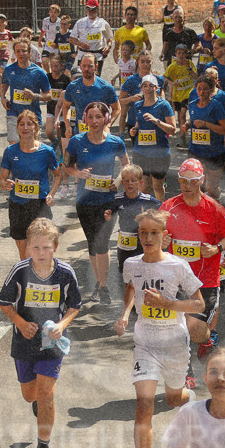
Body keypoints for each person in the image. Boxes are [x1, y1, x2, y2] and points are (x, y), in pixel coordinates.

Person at [115, 219, 205, 448]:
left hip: (175, 343)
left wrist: (168, 305)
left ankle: (191, 399)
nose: (149, 238)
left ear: (165, 237)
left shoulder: (178, 266)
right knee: (144, 404)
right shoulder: (132, 263)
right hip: (145, 342)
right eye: (143, 233)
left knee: (174, 398)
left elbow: (199, 304)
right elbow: (132, 287)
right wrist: (126, 313)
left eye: (155, 233)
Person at [0, 218, 82, 448]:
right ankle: (38, 404)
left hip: (52, 342)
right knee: (30, 395)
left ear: (55, 247)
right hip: (24, 340)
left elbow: (75, 306)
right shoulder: (20, 270)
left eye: (46, 248)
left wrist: (63, 325)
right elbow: (4, 302)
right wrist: (21, 323)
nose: (41, 253)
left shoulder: (65, 273)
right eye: (35, 248)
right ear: (27, 248)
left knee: (46, 394)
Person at [160, 159, 225, 384]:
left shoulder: (214, 209)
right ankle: (186, 372)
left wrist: (216, 248)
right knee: (178, 327)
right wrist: (161, 240)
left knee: (195, 329)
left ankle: (206, 341)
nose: (187, 185)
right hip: (175, 279)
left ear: (201, 181)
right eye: (183, 180)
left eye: (193, 181)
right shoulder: (168, 207)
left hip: (205, 279)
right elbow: (154, 231)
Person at [64, 101, 129, 303]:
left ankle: (103, 286)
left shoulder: (115, 142)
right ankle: (99, 284)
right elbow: (67, 166)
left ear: (106, 119)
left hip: (107, 202)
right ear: (85, 119)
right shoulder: (76, 141)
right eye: (90, 117)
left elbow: (127, 165)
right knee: (93, 244)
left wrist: (117, 182)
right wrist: (78, 173)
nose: (94, 121)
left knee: (102, 243)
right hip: (84, 201)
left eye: (98, 117)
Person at [0, 111, 61, 260]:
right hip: (18, 206)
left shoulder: (46, 152)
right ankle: (27, 281)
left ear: (36, 128)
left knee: (41, 249)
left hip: (39, 206)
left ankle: (42, 279)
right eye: (22, 124)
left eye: (29, 124)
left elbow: (58, 175)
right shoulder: (10, 152)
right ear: (17, 128)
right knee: (25, 252)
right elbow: (1, 180)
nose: (25, 127)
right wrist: (4, 184)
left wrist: (51, 193)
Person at [125, 73, 176, 200]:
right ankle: (146, 213)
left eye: (151, 86)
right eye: (145, 86)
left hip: (159, 153)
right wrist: (134, 130)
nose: (148, 88)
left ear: (156, 88)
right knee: (144, 185)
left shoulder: (164, 105)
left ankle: (159, 213)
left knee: (158, 185)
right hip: (141, 152)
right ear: (141, 88)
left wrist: (156, 121)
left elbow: (173, 129)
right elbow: (138, 124)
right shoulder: (138, 106)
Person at [103, 165, 161, 273]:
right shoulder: (118, 199)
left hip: (142, 245)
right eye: (126, 181)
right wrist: (108, 216)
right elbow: (110, 212)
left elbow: (162, 213)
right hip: (124, 246)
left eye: (133, 180)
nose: (130, 183)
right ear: (122, 183)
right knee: (126, 276)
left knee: (143, 275)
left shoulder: (148, 201)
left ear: (140, 183)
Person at [186, 75, 225, 200]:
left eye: (205, 89)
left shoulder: (216, 106)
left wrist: (206, 124)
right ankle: (200, 216)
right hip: (196, 151)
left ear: (211, 89)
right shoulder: (193, 105)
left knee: (211, 189)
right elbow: (193, 119)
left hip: (214, 152)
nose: (202, 92)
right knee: (197, 187)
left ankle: (218, 208)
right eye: (199, 89)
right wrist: (187, 124)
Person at [0, 39, 52, 145]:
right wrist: (3, 98)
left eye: (23, 51)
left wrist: (34, 96)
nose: (20, 54)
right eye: (17, 51)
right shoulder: (9, 70)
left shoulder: (38, 72)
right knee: (14, 146)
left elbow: (49, 95)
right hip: (14, 113)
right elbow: (4, 86)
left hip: (32, 116)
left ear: (29, 52)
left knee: (31, 148)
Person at [58, 53, 119, 139]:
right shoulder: (73, 87)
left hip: (100, 134)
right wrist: (67, 126)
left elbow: (117, 108)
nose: (86, 69)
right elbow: (65, 107)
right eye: (84, 66)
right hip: (80, 134)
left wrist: (108, 125)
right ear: (80, 66)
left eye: (90, 66)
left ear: (96, 66)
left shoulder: (105, 87)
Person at [118, 50, 165, 135]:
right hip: (135, 122)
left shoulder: (159, 79)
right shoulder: (131, 80)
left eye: (148, 61)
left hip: (155, 121)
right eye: (142, 62)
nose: (145, 64)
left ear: (152, 61)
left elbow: (163, 99)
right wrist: (131, 98)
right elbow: (120, 100)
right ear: (138, 62)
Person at [164, 44, 198, 148]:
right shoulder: (173, 66)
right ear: (176, 54)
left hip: (189, 93)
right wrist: (172, 83)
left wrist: (189, 69)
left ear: (187, 54)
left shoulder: (190, 63)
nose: (181, 55)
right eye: (179, 53)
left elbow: (196, 77)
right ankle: (183, 137)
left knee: (184, 113)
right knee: (180, 116)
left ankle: (191, 135)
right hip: (177, 95)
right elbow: (165, 77)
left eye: (183, 53)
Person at [71, 0, 114, 74]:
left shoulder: (102, 23)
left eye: (93, 9)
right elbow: (72, 39)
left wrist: (108, 47)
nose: (90, 11)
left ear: (97, 10)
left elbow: (109, 38)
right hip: (83, 55)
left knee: (96, 78)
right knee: (82, 77)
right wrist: (80, 44)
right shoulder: (80, 22)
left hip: (97, 55)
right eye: (88, 9)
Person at [44, 52, 73, 151]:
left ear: (61, 66)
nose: (53, 68)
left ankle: (62, 152)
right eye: (51, 66)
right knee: (49, 132)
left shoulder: (65, 79)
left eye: (56, 66)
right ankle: (55, 142)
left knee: (60, 133)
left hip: (62, 110)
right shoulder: (47, 78)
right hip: (51, 108)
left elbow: (69, 96)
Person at [39, 3, 62, 73]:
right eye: (51, 12)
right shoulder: (45, 21)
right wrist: (39, 41)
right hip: (47, 45)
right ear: (49, 13)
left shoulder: (60, 22)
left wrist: (57, 44)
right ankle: (49, 74)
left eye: (55, 12)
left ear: (58, 13)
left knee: (54, 63)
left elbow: (61, 35)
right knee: (44, 61)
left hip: (56, 46)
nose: (53, 14)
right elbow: (43, 31)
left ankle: (54, 74)